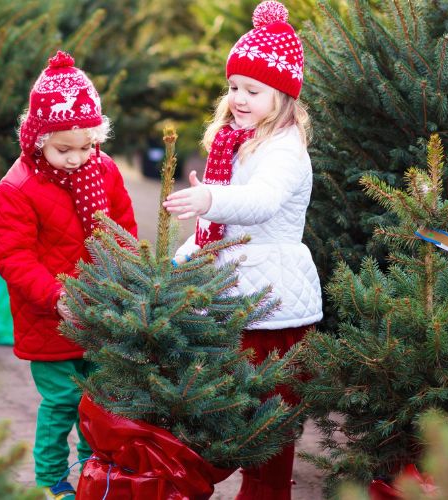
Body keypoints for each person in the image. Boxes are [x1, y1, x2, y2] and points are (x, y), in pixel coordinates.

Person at [162, 2, 321, 498]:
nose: (238, 98)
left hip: (272, 300)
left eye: (253, 90)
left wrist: (211, 196)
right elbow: (219, 223)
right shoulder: (235, 141)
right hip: (234, 290)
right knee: (223, 406)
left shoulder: (285, 149)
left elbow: (259, 203)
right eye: (233, 88)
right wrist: (183, 259)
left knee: (267, 417)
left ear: (284, 95)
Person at [0, 50, 137, 500]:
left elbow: (124, 227)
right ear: (36, 140)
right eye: (64, 149)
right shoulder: (16, 190)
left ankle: (95, 473)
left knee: (99, 403)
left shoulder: (104, 170)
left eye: (87, 146)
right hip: (50, 318)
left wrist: (128, 273)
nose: (78, 159)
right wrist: (56, 297)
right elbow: (13, 257)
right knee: (61, 403)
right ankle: (51, 480)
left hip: (100, 315)